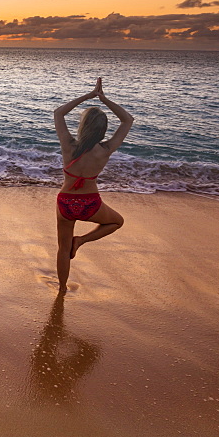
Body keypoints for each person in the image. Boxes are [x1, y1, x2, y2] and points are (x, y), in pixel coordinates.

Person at [53, 77, 134, 293]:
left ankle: (61, 289)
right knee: (117, 222)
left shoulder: (68, 145)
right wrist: (104, 99)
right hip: (90, 203)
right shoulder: (106, 149)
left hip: (66, 203)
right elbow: (127, 120)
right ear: (103, 130)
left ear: (82, 126)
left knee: (63, 248)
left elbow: (59, 113)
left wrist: (88, 96)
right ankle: (81, 241)